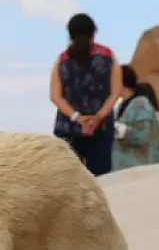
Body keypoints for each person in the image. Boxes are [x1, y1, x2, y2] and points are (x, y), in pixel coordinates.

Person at [49, 13, 122, 176]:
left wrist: (77, 117)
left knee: (68, 180)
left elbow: (55, 96)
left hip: (67, 129)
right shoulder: (108, 56)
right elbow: (115, 92)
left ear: (70, 35)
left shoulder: (62, 60)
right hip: (100, 128)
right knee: (102, 180)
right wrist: (98, 117)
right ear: (93, 32)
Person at [112, 64, 159, 171]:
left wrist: (121, 130)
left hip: (141, 169)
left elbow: (142, 136)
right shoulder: (120, 106)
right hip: (124, 169)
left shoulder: (141, 104)